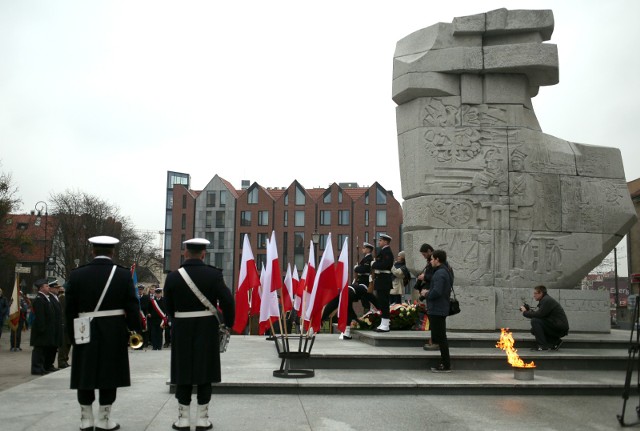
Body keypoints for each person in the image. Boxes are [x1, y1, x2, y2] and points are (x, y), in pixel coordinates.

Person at [65, 235, 142, 431]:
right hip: (113, 330)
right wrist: (135, 330)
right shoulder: (123, 274)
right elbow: (132, 306)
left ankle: (86, 419)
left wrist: (71, 335)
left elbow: (69, 310)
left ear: (93, 251)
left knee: (84, 373)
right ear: (112, 252)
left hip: (84, 328)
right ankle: (104, 419)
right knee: (110, 373)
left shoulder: (77, 274)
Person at [164, 238, 235, 431]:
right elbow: (228, 301)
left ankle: (183, 418)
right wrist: (228, 324)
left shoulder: (172, 277)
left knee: (182, 371)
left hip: (182, 329)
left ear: (185, 253)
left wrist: (176, 319)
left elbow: (167, 306)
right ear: (204, 254)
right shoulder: (214, 275)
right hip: (206, 328)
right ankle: (203, 419)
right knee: (205, 371)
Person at [520, 285, 569, 351]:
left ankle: (542, 346)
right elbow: (541, 314)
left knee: (535, 321)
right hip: (557, 326)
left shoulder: (546, 300)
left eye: (535, 293)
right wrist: (529, 311)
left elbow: (539, 315)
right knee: (534, 329)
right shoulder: (545, 299)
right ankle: (555, 342)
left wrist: (525, 312)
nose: (534, 295)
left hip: (559, 328)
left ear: (541, 293)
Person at [427, 249, 453, 373]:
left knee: (441, 338)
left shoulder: (440, 273)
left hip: (437, 309)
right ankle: (445, 363)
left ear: (437, 259)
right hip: (439, 308)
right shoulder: (444, 271)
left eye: (432, 259)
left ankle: (445, 364)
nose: (431, 261)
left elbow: (437, 291)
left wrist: (427, 293)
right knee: (440, 337)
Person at [30, 279, 56, 375]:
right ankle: (36, 368)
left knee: (43, 350)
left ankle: (41, 367)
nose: (48, 287)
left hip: (46, 329)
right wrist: (42, 329)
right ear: (41, 288)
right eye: (46, 286)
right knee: (39, 349)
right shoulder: (39, 299)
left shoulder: (45, 298)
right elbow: (40, 316)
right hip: (41, 330)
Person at [371, 234, 394, 332]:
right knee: (381, 302)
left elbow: (385, 265)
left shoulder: (387, 252)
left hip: (384, 280)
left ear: (386, 242)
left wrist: (374, 264)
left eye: (381, 240)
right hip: (381, 279)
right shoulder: (383, 251)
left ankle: (385, 325)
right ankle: (383, 323)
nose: (379, 242)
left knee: (384, 302)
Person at [45, 280, 64, 372]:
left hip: (58, 326)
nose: (58, 289)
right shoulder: (50, 298)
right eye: (55, 288)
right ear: (51, 289)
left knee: (55, 347)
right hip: (54, 326)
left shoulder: (55, 297)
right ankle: (48, 365)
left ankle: (50, 364)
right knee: (51, 347)